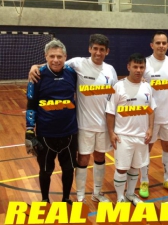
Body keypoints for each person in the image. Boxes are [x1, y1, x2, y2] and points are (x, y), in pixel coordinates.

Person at [29, 34, 118, 203]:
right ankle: (80, 196)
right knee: (82, 159)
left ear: (107, 51)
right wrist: (35, 66)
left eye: (102, 49)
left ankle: (97, 193)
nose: (98, 52)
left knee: (100, 157)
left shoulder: (111, 70)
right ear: (89, 49)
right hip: (83, 124)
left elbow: (117, 94)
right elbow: (55, 61)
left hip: (104, 125)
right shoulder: (77, 63)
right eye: (95, 48)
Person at [25, 39, 78, 204]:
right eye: (52, 56)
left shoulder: (72, 73)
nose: (56, 60)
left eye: (59, 56)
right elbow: (31, 104)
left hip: (69, 131)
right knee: (46, 170)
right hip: (45, 133)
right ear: (45, 57)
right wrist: (29, 130)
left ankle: (66, 198)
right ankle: (45, 199)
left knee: (69, 169)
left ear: (65, 57)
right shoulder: (37, 76)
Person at [139, 31, 168, 198]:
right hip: (149, 117)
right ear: (152, 45)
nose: (161, 46)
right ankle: (144, 180)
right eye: (158, 43)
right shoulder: (144, 64)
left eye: (164, 43)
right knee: (146, 149)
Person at [106, 53, 156, 204]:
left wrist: (150, 129)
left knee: (135, 167)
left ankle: (130, 194)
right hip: (123, 136)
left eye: (141, 67)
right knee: (121, 169)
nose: (138, 70)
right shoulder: (118, 86)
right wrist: (111, 133)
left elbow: (151, 109)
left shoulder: (147, 86)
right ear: (129, 67)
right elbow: (110, 112)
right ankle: (120, 197)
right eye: (135, 66)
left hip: (141, 135)